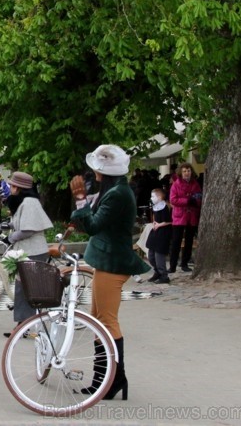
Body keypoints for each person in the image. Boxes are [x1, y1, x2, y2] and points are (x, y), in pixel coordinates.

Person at [69, 144, 150, 400]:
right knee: (98, 320)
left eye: (97, 168)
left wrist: (81, 199)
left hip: (112, 263)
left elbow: (93, 226)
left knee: (106, 321)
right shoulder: (115, 190)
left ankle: (113, 379)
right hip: (107, 261)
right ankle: (104, 379)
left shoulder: (117, 194)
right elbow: (92, 224)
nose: (93, 172)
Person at [2, 171, 53, 337]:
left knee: (24, 289)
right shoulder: (25, 201)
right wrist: (7, 225)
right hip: (28, 250)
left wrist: (11, 237)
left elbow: (28, 229)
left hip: (33, 251)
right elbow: (21, 222)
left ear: (18, 187)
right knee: (24, 289)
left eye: (12, 185)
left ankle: (22, 326)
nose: (10, 188)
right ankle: (23, 324)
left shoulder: (30, 202)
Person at [168, 162, 201, 273]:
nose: (187, 173)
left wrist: (195, 200)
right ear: (181, 173)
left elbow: (199, 197)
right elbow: (173, 199)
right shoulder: (176, 184)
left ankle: (185, 263)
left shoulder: (195, 184)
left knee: (189, 241)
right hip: (179, 216)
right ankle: (172, 266)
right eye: (184, 171)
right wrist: (187, 200)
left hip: (191, 216)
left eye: (188, 171)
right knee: (176, 242)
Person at [146, 188, 172, 284]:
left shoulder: (165, 207)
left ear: (160, 197)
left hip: (163, 233)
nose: (151, 198)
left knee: (159, 255)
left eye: (153, 196)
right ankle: (157, 272)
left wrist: (159, 225)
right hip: (155, 232)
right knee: (151, 255)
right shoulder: (155, 206)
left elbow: (169, 221)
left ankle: (164, 275)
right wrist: (154, 223)